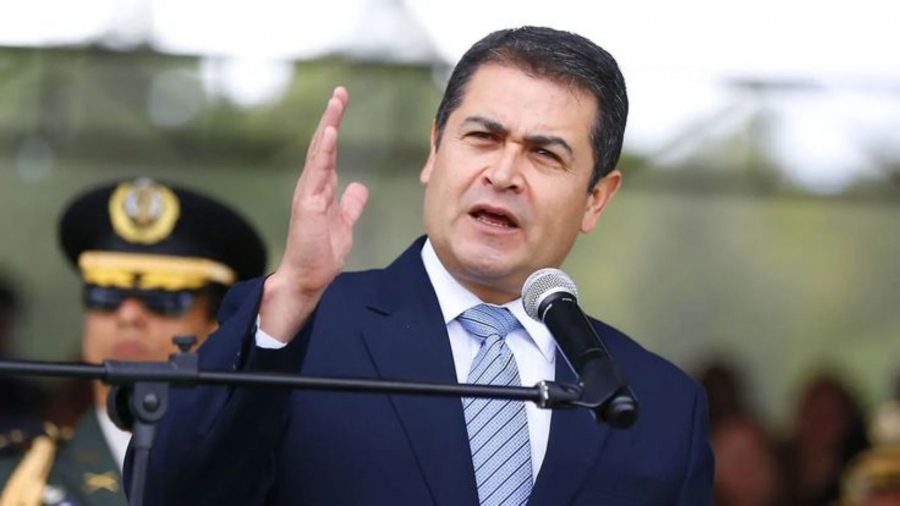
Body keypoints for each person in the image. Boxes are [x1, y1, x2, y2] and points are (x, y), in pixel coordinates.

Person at [133, 26, 714, 505]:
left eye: (544, 153)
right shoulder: (302, 328)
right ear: (435, 150)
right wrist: (293, 296)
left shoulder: (663, 407)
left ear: (596, 199)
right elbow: (173, 493)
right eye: (483, 137)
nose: (504, 174)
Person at [0, 177, 267, 506]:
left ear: (217, 326)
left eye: (164, 298)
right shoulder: (18, 479)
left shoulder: (262, 478)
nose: (128, 316)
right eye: (105, 295)